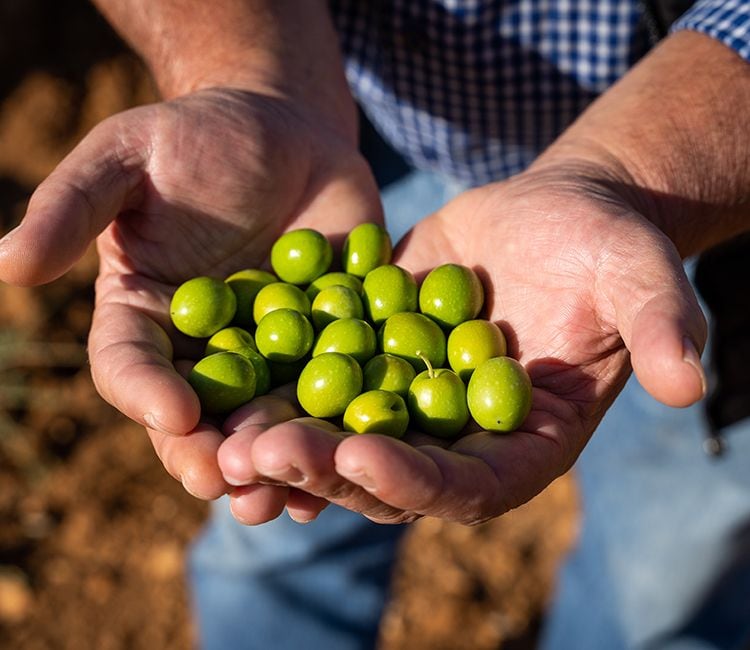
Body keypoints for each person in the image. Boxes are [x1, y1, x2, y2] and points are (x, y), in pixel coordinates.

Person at [1, 0, 748, 647]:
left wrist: (635, 172)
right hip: (344, 134)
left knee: (663, 577)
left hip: (682, 174)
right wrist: (249, 76)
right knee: (277, 517)